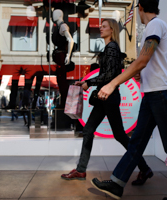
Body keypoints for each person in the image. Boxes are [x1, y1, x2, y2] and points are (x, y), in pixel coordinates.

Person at [90, 1, 167, 199]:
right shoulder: (154, 26)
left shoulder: (155, 25)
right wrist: (144, 73)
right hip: (153, 95)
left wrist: (112, 84)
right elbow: (148, 61)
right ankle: (117, 184)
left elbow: (143, 60)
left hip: (161, 94)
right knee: (137, 143)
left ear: (140, 7)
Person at [61, 19, 154, 186]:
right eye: (101, 26)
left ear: (112, 30)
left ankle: (144, 167)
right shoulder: (109, 48)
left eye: (104, 26)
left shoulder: (111, 48)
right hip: (104, 97)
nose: (100, 28)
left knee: (119, 135)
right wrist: (85, 82)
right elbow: (107, 74)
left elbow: (110, 75)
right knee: (89, 131)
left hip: (108, 98)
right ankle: (81, 170)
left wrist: (88, 83)